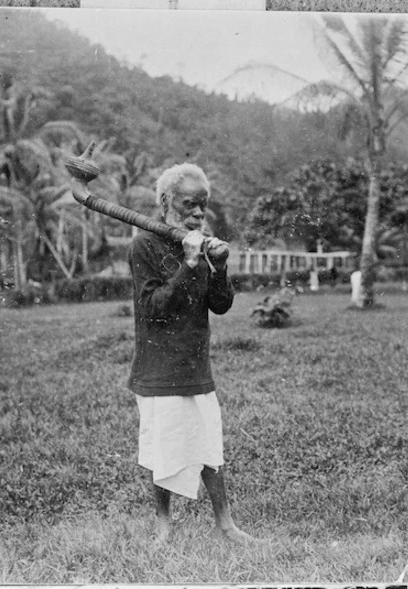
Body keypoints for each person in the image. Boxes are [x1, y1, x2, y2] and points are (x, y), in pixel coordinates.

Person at [127, 162, 253, 545]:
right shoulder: (144, 245)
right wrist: (190, 262)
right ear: (166, 202)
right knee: (164, 448)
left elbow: (221, 305)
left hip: (196, 363)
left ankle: (226, 524)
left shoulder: (202, 239)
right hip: (158, 367)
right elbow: (154, 307)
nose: (198, 214)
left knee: (208, 445)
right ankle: (164, 527)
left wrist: (221, 265)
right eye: (189, 205)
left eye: (203, 205)